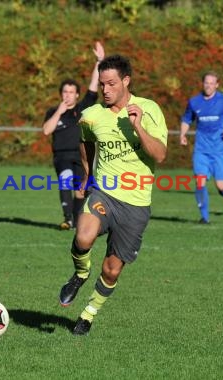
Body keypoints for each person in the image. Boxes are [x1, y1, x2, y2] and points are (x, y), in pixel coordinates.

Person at [58, 55, 168, 335]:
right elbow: (86, 142)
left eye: (111, 84)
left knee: (111, 271)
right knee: (83, 236)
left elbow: (160, 155)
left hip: (136, 204)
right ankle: (80, 274)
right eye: (102, 84)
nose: (105, 90)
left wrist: (138, 127)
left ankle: (89, 313)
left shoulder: (148, 109)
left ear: (126, 81)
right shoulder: (92, 115)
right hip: (104, 192)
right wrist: (87, 174)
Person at [42, 41, 105, 230]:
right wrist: (59, 112)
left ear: (77, 95)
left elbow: (94, 86)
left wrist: (99, 61)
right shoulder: (54, 111)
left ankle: (76, 221)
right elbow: (46, 130)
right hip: (61, 157)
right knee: (65, 179)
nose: (68, 95)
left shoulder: (83, 108)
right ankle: (67, 218)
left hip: (82, 155)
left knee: (80, 191)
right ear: (61, 94)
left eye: (71, 92)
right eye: (65, 92)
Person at [180, 71, 223, 224]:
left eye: (211, 83)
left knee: (221, 186)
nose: (208, 86)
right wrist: (182, 134)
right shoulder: (195, 102)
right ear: (203, 84)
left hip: (220, 150)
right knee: (200, 181)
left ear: (217, 85)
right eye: (206, 82)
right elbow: (187, 119)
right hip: (201, 150)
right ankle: (204, 217)